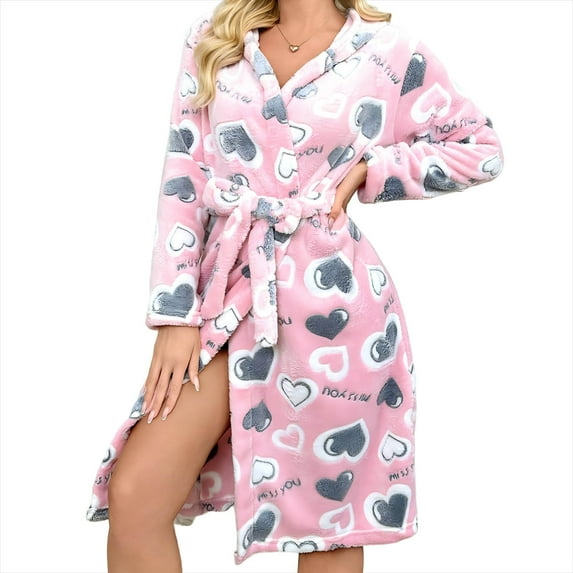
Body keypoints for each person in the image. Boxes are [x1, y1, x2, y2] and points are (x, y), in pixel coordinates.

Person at [85, 0, 504, 571]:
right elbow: (183, 175)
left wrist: (373, 170)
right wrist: (175, 315)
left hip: (338, 310)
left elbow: (480, 149)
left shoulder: (389, 50)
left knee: (326, 529)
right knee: (136, 494)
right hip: (228, 294)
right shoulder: (214, 38)